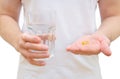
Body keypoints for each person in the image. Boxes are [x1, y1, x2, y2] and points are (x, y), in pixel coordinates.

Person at [0, 0, 120, 79]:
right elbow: (4, 13)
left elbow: (115, 15)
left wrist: (103, 35)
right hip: (33, 74)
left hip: (85, 73)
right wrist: (17, 40)